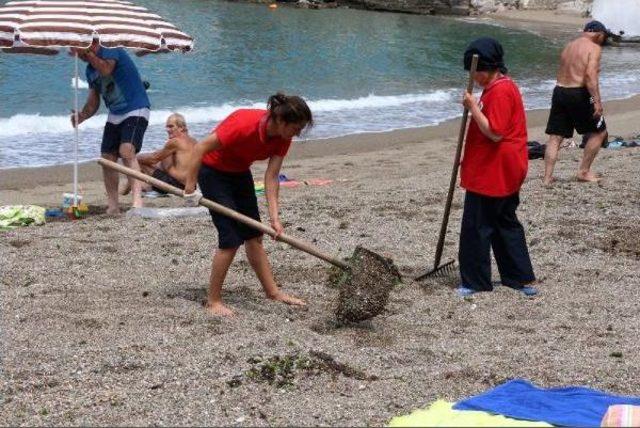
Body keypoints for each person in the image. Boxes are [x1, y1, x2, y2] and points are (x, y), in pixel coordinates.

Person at [184, 93, 313, 317]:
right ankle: (213, 300)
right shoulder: (243, 124)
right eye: (297, 127)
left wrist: (274, 218)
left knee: (254, 235)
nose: (298, 133)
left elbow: (272, 177)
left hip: (239, 173)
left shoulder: (283, 137)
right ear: (281, 121)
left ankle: (272, 292)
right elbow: (199, 148)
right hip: (212, 172)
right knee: (230, 238)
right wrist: (190, 188)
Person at [457, 37, 536, 297]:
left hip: (494, 171)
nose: (473, 76)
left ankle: (476, 282)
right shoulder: (500, 87)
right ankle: (518, 277)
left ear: (484, 68)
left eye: (474, 71)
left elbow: (495, 133)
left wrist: (471, 108)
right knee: (504, 222)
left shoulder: (501, 90)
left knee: (477, 225)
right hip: (500, 167)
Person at [70, 40, 150, 214]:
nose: (79, 57)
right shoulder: (90, 70)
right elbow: (94, 101)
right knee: (107, 158)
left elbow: (107, 69)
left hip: (136, 107)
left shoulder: (111, 48)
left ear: (90, 43)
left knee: (127, 150)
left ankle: (137, 201)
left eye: (79, 53)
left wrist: (88, 53)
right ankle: (113, 205)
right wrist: (82, 115)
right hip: (115, 114)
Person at [543, 20, 612, 185]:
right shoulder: (594, 48)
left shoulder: (569, 46)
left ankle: (547, 178)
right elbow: (589, 76)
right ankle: (584, 172)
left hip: (559, 91)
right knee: (599, 132)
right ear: (599, 34)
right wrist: (597, 102)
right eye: (604, 37)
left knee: (555, 136)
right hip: (578, 93)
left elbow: (569, 69)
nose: (604, 40)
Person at [120, 113, 196, 195]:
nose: (167, 129)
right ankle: (139, 188)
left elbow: (153, 158)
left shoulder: (175, 142)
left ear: (181, 127)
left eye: (171, 126)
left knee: (137, 162)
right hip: (191, 186)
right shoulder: (194, 141)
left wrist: (133, 158)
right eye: (167, 127)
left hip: (177, 186)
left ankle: (126, 191)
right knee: (163, 159)